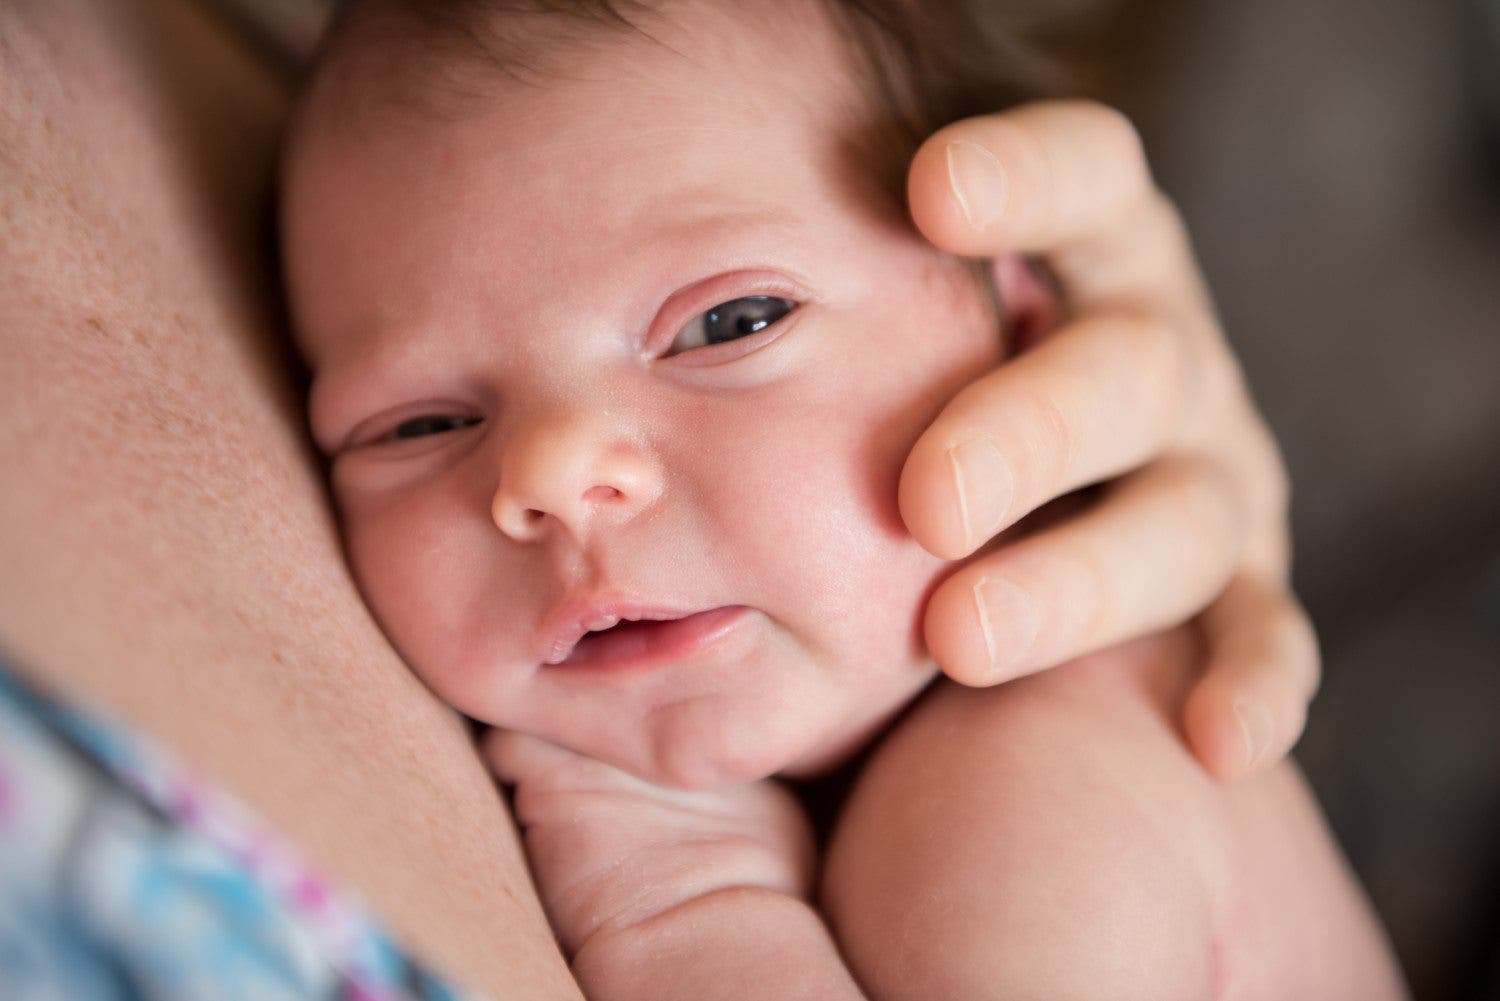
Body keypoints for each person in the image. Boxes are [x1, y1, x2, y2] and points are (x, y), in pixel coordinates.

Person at [0, 0, 1336, 997]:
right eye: (422, 423)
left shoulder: (1036, 798)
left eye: (731, 322)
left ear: (1030, 337)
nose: (550, 474)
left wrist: (683, 900)